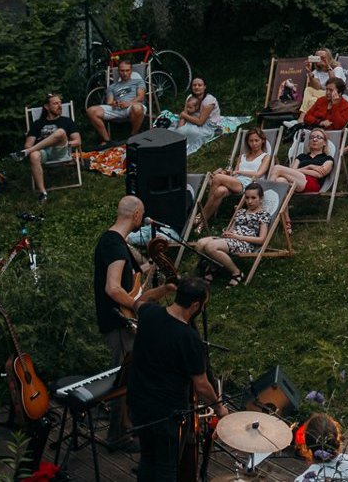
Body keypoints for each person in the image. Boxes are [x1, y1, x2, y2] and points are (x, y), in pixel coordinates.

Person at [92, 196, 171, 429]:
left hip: (121, 319)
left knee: (129, 377)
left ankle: (126, 425)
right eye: (142, 215)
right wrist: (137, 307)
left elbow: (137, 280)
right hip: (118, 320)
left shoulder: (116, 242)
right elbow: (113, 287)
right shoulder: (115, 246)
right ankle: (118, 435)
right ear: (136, 215)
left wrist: (161, 272)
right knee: (122, 381)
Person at [127, 278, 217, 482]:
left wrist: (164, 288)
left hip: (138, 404)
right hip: (166, 414)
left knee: (147, 459)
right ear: (195, 305)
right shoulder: (189, 337)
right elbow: (201, 385)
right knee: (166, 466)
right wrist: (219, 408)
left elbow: (139, 300)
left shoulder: (149, 313)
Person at [189, 182, 272, 287]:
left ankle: (237, 273)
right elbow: (232, 229)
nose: (249, 201)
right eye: (247, 198)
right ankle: (213, 267)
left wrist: (237, 237)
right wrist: (228, 233)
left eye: (253, 198)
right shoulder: (241, 212)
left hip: (245, 243)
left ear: (261, 198)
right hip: (232, 240)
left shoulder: (263, 215)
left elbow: (261, 239)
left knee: (211, 247)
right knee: (200, 244)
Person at [197, 127, 273, 230]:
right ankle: (203, 223)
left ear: (262, 141)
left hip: (250, 184)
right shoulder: (242, 156)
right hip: (237, 182)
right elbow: (234, 174)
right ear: (247, 142)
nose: (254, 143)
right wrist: (228, 174)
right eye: (251, 141)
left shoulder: (265, 156)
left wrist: (238, 172)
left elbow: (259, 174)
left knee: (218, 178)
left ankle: (200, 215)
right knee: (220, 190)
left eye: (257, 140)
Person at [15, 93, 81, 200]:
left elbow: (78, 141)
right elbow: (27, 144)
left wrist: (64, 143)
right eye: (55, 103)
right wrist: (38, 147)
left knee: (60, 132)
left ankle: (27, 152)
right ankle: (43, 193)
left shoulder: (66, 121)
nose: (59, 106)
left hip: (60, 151)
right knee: (34, 155)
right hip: (43, 153)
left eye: (60, 103)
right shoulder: (38, 123)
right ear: (46, 106)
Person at [89, 59, 147, 144]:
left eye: (127, 70)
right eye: (122, 71)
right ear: (119, 71)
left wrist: (128, 103)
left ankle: (133, 135)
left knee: (137, 108)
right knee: (91, 111)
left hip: (132, 107)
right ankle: (107, 140)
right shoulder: (112, 87)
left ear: (131, 71)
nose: (125, 73)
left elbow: (140, 97)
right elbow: (109, 102)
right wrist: (114, 103)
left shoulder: (138, 81)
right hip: (118, 109)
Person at [267, 127, 337, 198]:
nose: (314, 139)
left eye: (319, 137)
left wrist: (301, 170)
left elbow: (319, 174)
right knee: (280, 181)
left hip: (312, 184)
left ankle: (265, 197)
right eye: (312, 137)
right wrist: (309, 167)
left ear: (324, 143)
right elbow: (292, 170)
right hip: (297, 182)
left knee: (277, 168)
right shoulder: (301, 156)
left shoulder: (327, 159)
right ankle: (282, 208)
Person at [174, 78, 222, 153]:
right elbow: (184, 114)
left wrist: (184, 116)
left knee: (191, 133)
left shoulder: (209, 100)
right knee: (175, 131)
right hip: (194, 119)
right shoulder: (190, 97)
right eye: (194, 85)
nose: (196, 87)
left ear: (204, 87)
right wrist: (179, 129)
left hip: (207, 124)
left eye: (199, 85)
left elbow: (200, 122)